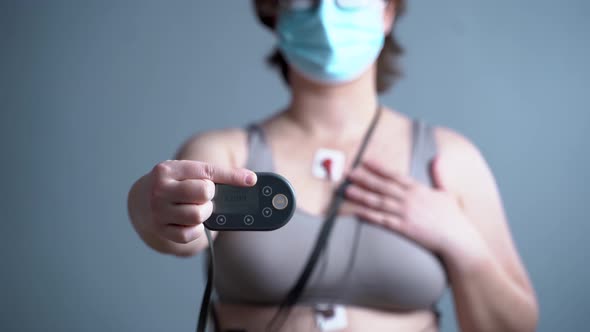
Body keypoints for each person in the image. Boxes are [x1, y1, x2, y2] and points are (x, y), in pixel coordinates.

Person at [127, 0, 539, 331]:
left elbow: (513, 326)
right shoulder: (226, 153)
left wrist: (459, 240)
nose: (326, 11)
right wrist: (149, 206)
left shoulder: (450, 158)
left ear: (388, 11)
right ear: (273, 10)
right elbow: (177, 231)